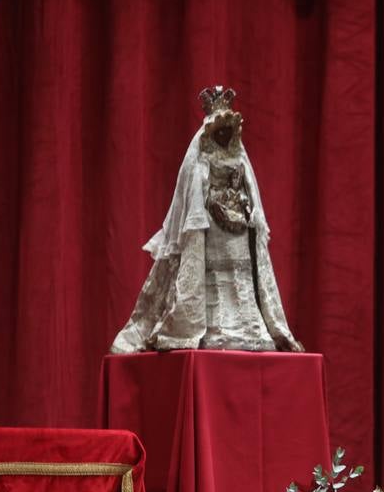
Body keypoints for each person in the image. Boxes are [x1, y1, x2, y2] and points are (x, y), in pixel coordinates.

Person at [111, 86, 302, 354]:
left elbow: (251, 190)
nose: (224, 134)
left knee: (241, 274)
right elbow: (192, 191)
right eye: (220, 130)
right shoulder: (200, 160)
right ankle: (211, 326)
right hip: (211, 224)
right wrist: (209, 201)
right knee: (213, 273)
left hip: (237, 226)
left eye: (228, 130)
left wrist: (250, 212)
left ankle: (247, 326)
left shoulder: (240, 159)